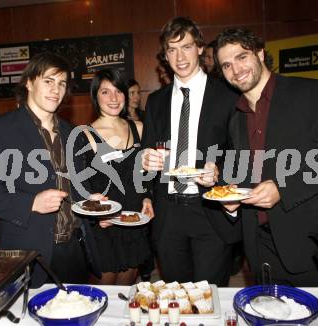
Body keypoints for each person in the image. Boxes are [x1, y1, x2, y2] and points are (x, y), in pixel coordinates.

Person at [214, 27, 318, 286]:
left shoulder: (311, 93)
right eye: (226, 65)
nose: (235, 70)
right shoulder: (236, 118)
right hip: (260, 248)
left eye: (241, 57)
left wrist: (283, 188)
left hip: (310, 242)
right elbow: (246, 174)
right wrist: (231, 196)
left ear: (259, 53)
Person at [0, 52, 101, 288]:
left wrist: (91, 200)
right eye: (48, 81)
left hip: (74, 249)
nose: (56, 90)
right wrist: (30, 203)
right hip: (28, 249)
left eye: (62, 83)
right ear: (29, 82)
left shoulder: (73, 133)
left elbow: (77, 185)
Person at [141, 17, 241, 286]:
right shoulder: (155, 101)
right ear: (165, 55)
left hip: (210, 209)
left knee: (211, 298)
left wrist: (220, 171)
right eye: (171, 50)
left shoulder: (228, 95)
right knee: (176, 296)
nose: (179, 56)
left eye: (185, 47)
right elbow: (146, 152)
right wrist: (145, 160)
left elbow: (243, 152)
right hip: (168, 214)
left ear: (199, 47)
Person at [77, 69, 154, 285]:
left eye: (118, 91)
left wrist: (148, 197)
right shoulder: (85, 135)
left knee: (125, 292)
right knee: (105, 294)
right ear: (95, 96)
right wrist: (97, 214)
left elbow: (147, 174)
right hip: (104, 226)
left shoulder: (139, 128)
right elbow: (80, 187)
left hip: (133, 222)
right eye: (105, 92)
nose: (113, 98)